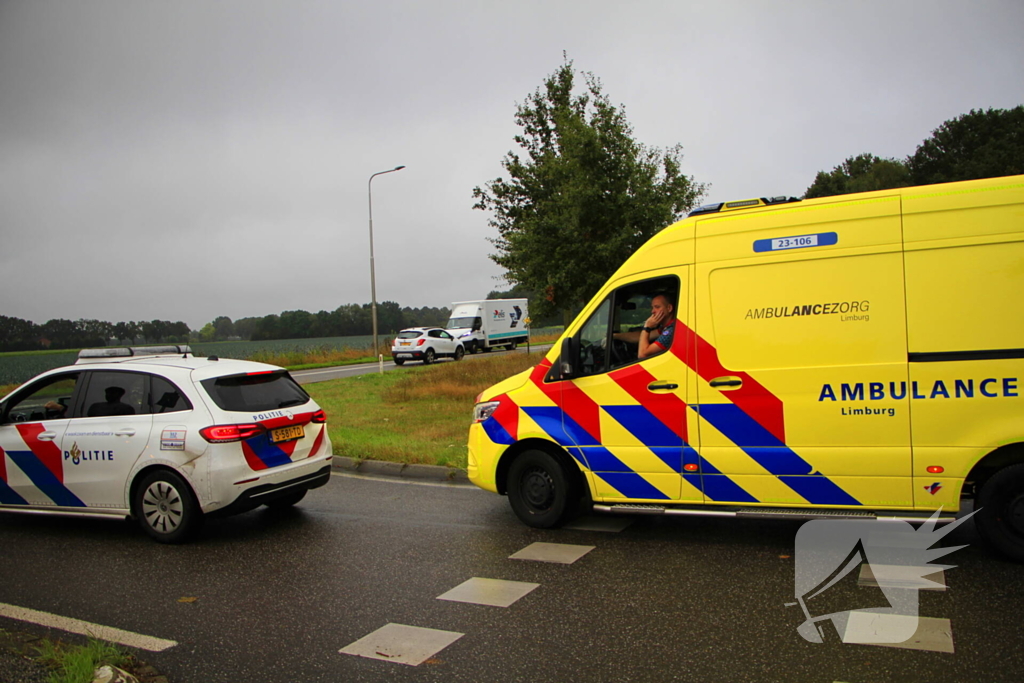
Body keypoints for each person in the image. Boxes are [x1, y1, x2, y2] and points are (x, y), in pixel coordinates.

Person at [615, 293, 676, 359]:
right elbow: (639, 337)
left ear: (669, 308)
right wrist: (615, 336)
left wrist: (647, 327)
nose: (652, 311)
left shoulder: (671, 330)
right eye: (652, 307)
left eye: (657, 307)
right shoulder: (665, 327)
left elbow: (642, 354)